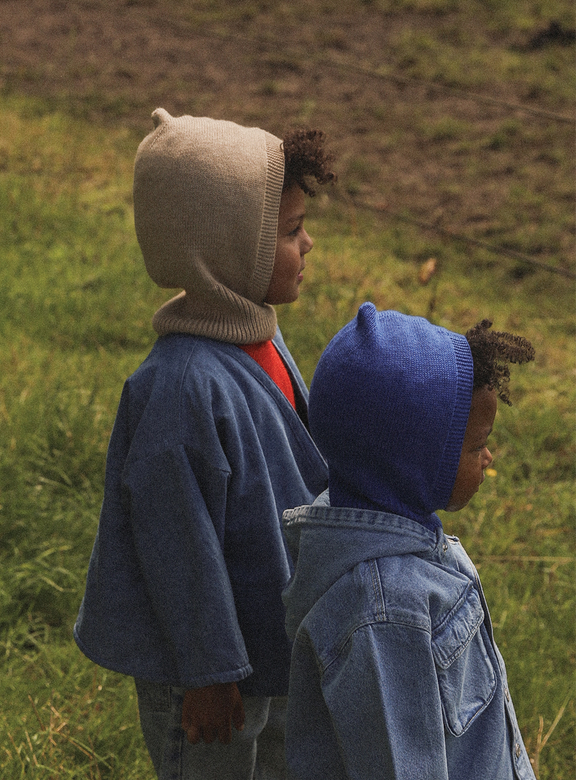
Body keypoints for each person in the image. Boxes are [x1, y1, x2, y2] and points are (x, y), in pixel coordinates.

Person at [74, 107, 336, 779]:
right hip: (209, 675)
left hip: (268, 643)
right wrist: (208, 672)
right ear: (226, 246)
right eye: (294, 232)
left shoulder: (261, 336)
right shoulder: (181, 388)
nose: (308, 247)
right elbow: (176, 541)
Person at [282, 302, 536, 780]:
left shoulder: (386, 531)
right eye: (477, 444)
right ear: (414, 464)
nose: (489, 456)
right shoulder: (385, 612)